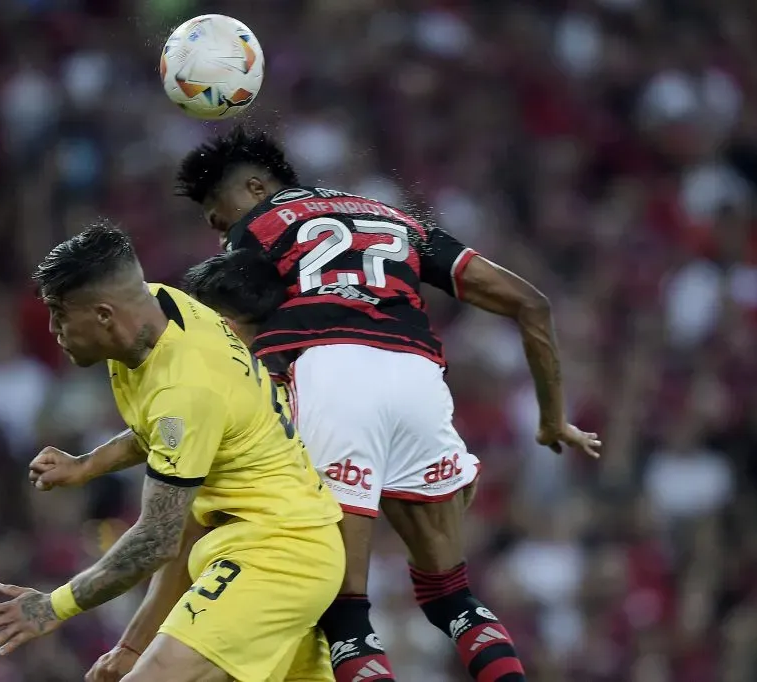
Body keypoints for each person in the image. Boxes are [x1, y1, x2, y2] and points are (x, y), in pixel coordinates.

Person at [170, 127, 600, 682]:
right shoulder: (397, 219)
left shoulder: (257, 227)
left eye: (214, 206)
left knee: (344, 615)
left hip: (331, 376)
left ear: (255, 186)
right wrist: (552, 418)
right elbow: (531, 305)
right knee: (451, 594)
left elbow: (232, 325)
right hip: (418, 378)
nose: (212, 223)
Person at [0, 223, 345, 682]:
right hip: (274, 550)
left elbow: (157, 539)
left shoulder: (184, 388)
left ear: (104, 315)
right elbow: (167, 433)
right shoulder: (161, 309)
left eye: (60, 315)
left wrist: (53, 606)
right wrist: (88, 466)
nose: (53, 330)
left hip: (273, 558)